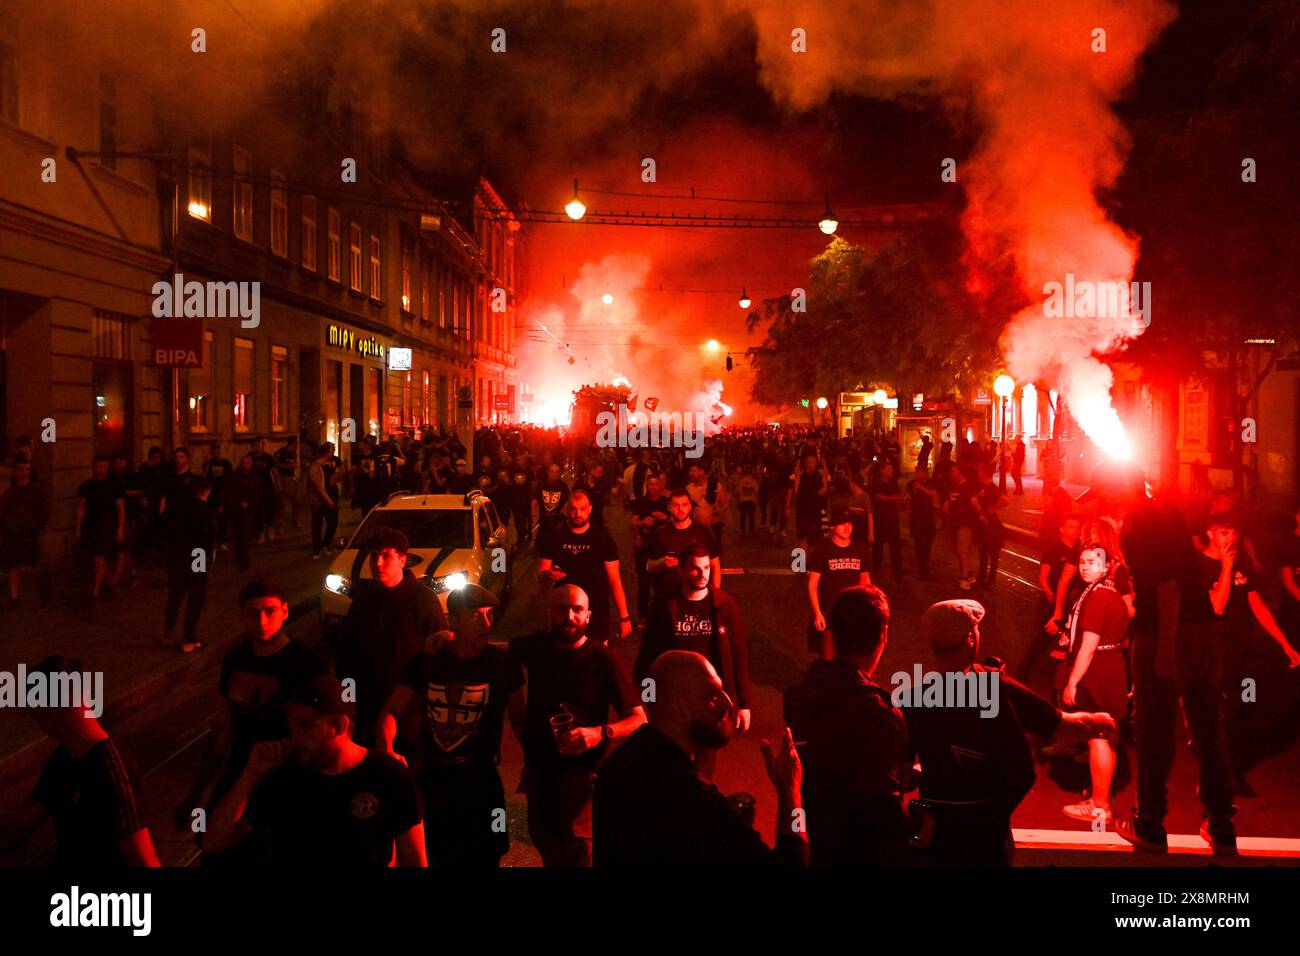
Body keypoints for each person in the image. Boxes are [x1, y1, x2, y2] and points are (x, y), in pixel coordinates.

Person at [1082, 459, 1237, 854]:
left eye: (1103, 492)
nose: (1102, 502)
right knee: (1207, 726)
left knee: (1154, 729)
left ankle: (1150, 822)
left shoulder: (1136, 524)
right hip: (1200, 628)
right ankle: (1220, 823)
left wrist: (1165, 651)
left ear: (1118, 489)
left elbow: (1167, 588)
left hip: (1165, 633)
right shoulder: (1163, 510)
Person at [903, 600, 1117, 865]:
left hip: (938, 836)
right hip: (988, 836)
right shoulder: (997, 688)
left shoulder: (914, 700)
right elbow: (1062, 724)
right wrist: (1098, 721)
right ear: (971, 638)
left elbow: (902, 778)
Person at [593, 650, 808, 867]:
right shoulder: (695, 801)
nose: (728, 703)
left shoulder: (615, 767)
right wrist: (790, 790)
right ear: (681, 711)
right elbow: (792, 863)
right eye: (712, 696)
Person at [204, 674, 427, 866]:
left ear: (339, 726)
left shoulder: (388, 775)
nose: (295, 736)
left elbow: (415, 860)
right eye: (292, 725)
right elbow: (214, 841)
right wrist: (249, 776)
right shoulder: (284, 774)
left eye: (306, 726)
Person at [174, 580, 325, 858]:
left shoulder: (306, 664)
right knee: (213, 845)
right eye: (252, 613)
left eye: (269, 611)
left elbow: (322, 731)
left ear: (285, 612)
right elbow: (222, 728)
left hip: (288, 777)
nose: (262, 620)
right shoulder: (237, 658)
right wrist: (196, 793)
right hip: (241, 770)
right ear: (242, 616)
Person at [379, 585, 525, 867]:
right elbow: (391, 710)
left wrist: (533, 764)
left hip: (481, 780)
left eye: (489, 615)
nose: (486, 624)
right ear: (454, 620)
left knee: (487, 853)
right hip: (434, 778)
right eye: (475, 616)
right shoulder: (429, 661)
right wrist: (386, 747)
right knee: (436, 853)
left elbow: (520, 721)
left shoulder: (501, 663)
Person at [508, 585, 645, 866]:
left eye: (577, 610)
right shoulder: (534, 647)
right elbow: (494, 651)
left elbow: (639, 719)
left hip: (583, 778)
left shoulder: (602, 659)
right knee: (547, 845)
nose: (569, 616)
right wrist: (444, 637)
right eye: (561, 609)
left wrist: (600, 733)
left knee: (579, 853)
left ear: (588, 616)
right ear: (550, 613)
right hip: (540, 772)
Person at [785, 586, 917, 865]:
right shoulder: (881, 714)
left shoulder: (799, 695)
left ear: (833, 633)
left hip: (816, 840)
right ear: (883, 634)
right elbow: (880, 810)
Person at [0, 655, 160, 867]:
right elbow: (20, 827)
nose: (35, 717)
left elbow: (144, 860)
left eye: (36, 709)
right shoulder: (64, 758)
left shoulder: (114, 775)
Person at [1199, 511, 1300, 796]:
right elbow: (1216, 608)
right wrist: (1226, 569)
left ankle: (1231, 765)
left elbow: (1257, 605)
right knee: (1223, 711)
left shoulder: (1241, 562)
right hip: (1215, 652)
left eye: (1233, 534)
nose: (1230, 539)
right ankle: (1223, 773)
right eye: (1223, 533)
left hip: (1244, 652)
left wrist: (1285, 643)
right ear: (1210, 533)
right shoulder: (1200, 566)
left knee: (1246, 704)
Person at [635, 545, 751, 780]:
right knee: (673, 758)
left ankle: (699, 803)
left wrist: (744, 703)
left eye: (706, 567)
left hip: (710, 700)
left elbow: (739, 655)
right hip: (674, 699)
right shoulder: (664, 604)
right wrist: (647, 697)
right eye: (695, 569)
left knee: (705, 763)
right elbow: (649, 652)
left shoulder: (724, 605)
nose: (703, 574)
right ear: (682, 570)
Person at [335, 527, 449, 741]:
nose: (377, 563)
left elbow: (437, 658)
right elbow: (347, 658)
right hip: (366, 711)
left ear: (402, 560)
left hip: (408, 714)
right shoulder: (363, 600)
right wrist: (347, 703)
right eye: (374, 556)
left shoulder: (423, 601)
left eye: (386, 556)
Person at [1057, 541, 1130, 825]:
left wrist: (1072, 682)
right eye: (1083, 561)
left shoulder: (1097, 598)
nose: (1086, 566)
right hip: (1113, 665)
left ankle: (1099, 806)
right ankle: (1100, 797)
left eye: (1094, 561)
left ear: (1108, 565)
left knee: (1098, 738)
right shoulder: (1112, 593)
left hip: (1098, 670)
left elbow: (1088, 645)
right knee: (1104, 737)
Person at [537, 489, 633, 644]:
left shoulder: (602, 538)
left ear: (590, 509)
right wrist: (548, 574)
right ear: (567, 510)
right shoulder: (554, 536)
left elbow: (615, 580)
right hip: (565, 612)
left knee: (597, 660)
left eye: (582, 509)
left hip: (596, 612)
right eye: (573, 509)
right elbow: (540, 574)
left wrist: (624, 617)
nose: (577, 513)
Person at [1015, 512, 1082, 681]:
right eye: (1071, 527)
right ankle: (1024, 667)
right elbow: (1043, 577)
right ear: (1062, 530)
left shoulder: (1079, 549)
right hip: (1053, 600)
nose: (1075, 531)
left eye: (1077, 527)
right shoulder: (1054, 548)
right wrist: (1050, 594)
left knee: (1064, 638)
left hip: (1070, 601)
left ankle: (1055, 672)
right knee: (1044, 637)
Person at [805, 507, 872, 660]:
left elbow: (865, 581)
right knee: (828, 659)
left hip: (852, 614)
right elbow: (812, 584)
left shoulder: (860, 549)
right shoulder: (823, 548)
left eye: (850, 523)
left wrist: (867, 610)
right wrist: (817, 613)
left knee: (851, 659)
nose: (847, 527)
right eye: (842, 524)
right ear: (833, 526)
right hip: (829, 614)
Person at [164, 476, 217, 653]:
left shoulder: (177, 508)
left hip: (178, 554)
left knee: (175, 594)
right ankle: (190, 637)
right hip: (198, 554)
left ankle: (168, 633)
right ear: (205, 491)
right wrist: (210, 558)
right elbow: (212, 536)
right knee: (196, 596)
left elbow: (166, 528)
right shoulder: (205, 509)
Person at [646, 488, 721, 601]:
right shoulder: (660, 533)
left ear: (690, 506)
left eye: (684, 505)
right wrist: (662, 563)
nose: (680, 510)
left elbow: (715, 566)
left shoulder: (704, 532)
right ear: (669, 507)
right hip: (669, 598)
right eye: (676, 505)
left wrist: (716, 597)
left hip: (698, 596)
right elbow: (649, 567)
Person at [75, 455, 124, 608]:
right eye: (98, 466)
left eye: (104, 466)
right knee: (99, 560)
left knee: (100, 558)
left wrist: (120, 528)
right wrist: (78, 527)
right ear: (94, 467)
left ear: (107, 467)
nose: (101, 469)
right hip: (91, 526)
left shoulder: (114, 485)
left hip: (108, 525)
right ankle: (110, 583)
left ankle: (95, 593)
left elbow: (121, 508)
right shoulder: (87, 486)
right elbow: (81, 508)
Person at [0, 459, 47, 606]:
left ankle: (44, 587)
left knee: (29, 565)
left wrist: (37, 527)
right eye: (21, 469)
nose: (24, 472)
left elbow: (42, 511)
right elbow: (2, 511)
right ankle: (15, 597)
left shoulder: (36, 490)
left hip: (29, 533)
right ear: (16, 471)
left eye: (27, 469)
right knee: (13, 565)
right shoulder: (10, 491)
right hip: (12, 533)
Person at [630, 472, 670, 622]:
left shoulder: (666, 502)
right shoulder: (641, 502)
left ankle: (661, 615)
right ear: (646, 486)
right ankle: (642, 617)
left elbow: (675, 519)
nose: (653, 487)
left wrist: (664, 517)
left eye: (656, 484)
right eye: (650, 485)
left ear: (660, 485)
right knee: (644, 585)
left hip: (662, 548)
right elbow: (633, 523)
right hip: (644, 548)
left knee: (661, 585)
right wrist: (643, 522)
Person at [222, 454, 262, 571]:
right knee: (236, 536)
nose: (245, 465)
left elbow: (258, 495)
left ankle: (244, 561)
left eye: (247, 463)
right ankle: (239, 558)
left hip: (247, 512)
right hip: (234, 510)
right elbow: (227, 491)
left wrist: (248, 503)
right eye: (243, 463)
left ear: (251, 465)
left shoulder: (255, 479)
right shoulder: (234, 476)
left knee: (244, 537)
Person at [868, 458, 905, 575]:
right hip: (879, 516)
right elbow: (876, 497)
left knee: (895, 542)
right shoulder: (875, 482)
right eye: (889, 469)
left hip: (892, 516)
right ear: (882, 470)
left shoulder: (893, 482)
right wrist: (893, 499)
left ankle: (897, 567)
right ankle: (876, 564)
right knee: (878, 542)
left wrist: (899, 500)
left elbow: (898, 495)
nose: (892, 471)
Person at [974, 462, 1008, 588]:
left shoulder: (992, 488)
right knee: (983, 552)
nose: (978, 473)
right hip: (983, 524)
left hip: (991, 525)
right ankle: (982, 577)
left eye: (979, 471)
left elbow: (1005, 500)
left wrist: (994, 508)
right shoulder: (982, 487)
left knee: (992, 554)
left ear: (983, 473)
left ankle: (990, 580)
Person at [306, 442, 340, 560]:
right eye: (332, 450)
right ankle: (317, 549)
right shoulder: (315, 467)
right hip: (318, 500)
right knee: (317, 524)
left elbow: (333, 478)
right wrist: (328, 499)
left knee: (333, 522)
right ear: (327, 452)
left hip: (328, 497)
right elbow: (319, 487)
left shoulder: (328, 464)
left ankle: (326, 543)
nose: (334, 451)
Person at [686, 461, 729, 551]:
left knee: (714, 552)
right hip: (696, 529)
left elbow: (724, 503)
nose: (690, 473)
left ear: (702, 472)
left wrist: (720, 510)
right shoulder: (688, 488)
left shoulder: (715, 486)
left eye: (693, 471)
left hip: (713, 528)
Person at [906, 464, 939, 580]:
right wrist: (908, 507)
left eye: (921, 472)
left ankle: (926, 568)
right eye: (917, 472)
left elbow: (935, 498)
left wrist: (922, 489)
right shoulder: (911, 484)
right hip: (916, 520)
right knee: (919, 546)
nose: (918, 474)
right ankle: (922, 571)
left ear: (926, 473)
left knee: (927, 546)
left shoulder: (931, 484)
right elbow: (907, 498)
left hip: (929, 519)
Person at [790, 453, 828, 551]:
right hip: (803, 509)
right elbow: (796, 486)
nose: (813, 464)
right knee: (803, 537)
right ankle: (803, 562)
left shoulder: (820, 474)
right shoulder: (801, 474)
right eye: (810, 462)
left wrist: (824, 464)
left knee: (817, 536)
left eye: (814, 462)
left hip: (817, 509)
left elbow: (825, 486)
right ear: (806, 464)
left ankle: (816, 561)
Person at [203, 442, 233, 552]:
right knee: (212, 519)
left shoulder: (226, 464)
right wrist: (207, 462)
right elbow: (204, 476)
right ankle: (214, 541)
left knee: (223, 520)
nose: (216, 454)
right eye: (214, 452)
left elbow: (230, 480)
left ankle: (223, 541)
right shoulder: (209, 464)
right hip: (211, 495)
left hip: (223, 494)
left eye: (217, 452)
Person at [248, 437, 278, 542]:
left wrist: (278, 484)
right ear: (252, 446)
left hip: (267, 486)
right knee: (257, 510)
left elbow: (274, 470)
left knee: (270, 508)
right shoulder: (249, 457)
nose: (258, 447)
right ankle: (260, 533)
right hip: (254, 488)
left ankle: (270, 529)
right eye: (256, 445)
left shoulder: (268, 457)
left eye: (260, 444)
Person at [534, 462, 570, 541]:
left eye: (557, 472)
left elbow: (568, 500)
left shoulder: (563, 486)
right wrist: (534, 515)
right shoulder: (542, 485)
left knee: (555, 541)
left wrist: (565, 508)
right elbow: (535, 499)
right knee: (541, 542)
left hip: (558, 520)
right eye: (552, 472)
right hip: (544, 519)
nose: (555, 474)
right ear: (548, 472)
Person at [273, 436, 302, 530]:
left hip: (291, 478)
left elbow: (294, 465)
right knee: (283, 503)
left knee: (297, 500)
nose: (297, 445)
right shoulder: (281, 452)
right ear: (292, 443)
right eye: (296, 443)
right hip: (283, 478)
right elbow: (274, 464)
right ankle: (280, 525)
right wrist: (286, 466)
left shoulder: (294, 453)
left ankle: (295, 519)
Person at [736, 465, 760, 537]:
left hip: (743, 500)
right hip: (751, 500)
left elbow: (739, 491)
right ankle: (751, 530)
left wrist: (738, 500)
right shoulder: (753, 481)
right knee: (751, 516)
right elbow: (756, 492)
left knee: (743, 516)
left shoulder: (742, 481)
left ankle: (743, 530)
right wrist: (756, 501)